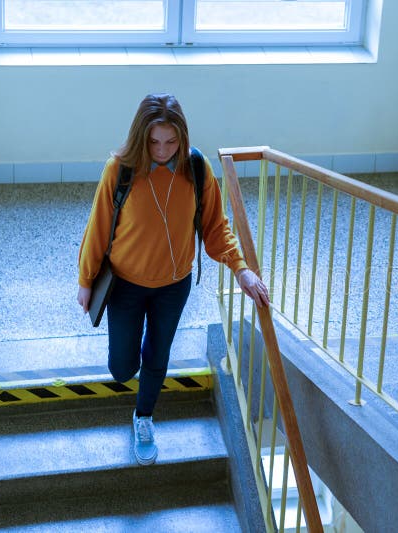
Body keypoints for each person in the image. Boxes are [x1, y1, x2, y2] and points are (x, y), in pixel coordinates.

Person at [77, 93, 269, 466]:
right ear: (140, 137)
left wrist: (241, 267)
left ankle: (144, 416)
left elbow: (215, 227)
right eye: (153, 141)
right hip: (126, 286)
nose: (162, 150)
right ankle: (135, 352)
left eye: (171, 141)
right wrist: (86, 279)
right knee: (121, 368)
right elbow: (97, 228)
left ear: (182, 137)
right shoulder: (120, 169)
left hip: (173, 286)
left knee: (157, 353)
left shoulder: (196, 169)